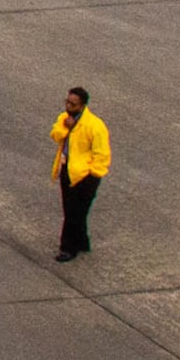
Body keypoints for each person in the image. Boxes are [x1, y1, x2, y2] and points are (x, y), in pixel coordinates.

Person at [52, 86, 111, 262]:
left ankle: (68, 248)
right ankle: (82, 241)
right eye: (67, 102)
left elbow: (102, 154)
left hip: (85, 176)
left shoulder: (95, 126)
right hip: (67, 170)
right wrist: (65, 128)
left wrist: (93, 175)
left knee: (74, 213)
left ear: (82, 106)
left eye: (73, 104)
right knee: (74, 211)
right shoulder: (65, 119)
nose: (68, 106)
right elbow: (55, 135)